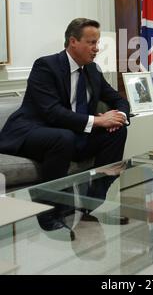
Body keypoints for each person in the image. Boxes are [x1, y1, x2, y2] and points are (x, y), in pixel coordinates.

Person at [0, 18, 130, 231]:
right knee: (63, 137)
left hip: (72, 135)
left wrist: (119, 117)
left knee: (117, 132)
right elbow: (52, 113)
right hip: (33, 131)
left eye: (97, 43)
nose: (96, 48)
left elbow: (118, 99)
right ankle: (48, 212)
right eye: (91, 42)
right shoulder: (46, 66)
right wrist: (99, 120)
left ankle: (92, 203)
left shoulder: (93, 70)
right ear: (73, 42)